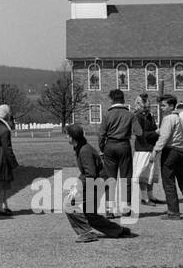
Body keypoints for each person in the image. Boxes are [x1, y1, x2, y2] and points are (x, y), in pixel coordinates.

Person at [64, 124, 130, 242]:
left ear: (72, 137)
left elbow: (91, 174)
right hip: (98, 182)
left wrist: (77, 188)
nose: (66, 137)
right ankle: (117, 230)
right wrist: (76, 185)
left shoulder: (84, 150)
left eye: (67, 135)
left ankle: (86, 233)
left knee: (69, 204)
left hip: (96, 183)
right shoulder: (81, 147)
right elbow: (87, 172)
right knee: (90, 215)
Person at [98, 88, 135, 216]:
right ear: (123, 99)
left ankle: (109, 209)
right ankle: (125, 208)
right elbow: (139, 132)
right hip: (124, 145)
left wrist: (102, 148)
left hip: (110, 145)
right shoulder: (129, 114)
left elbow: (101, 134)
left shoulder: (107, 114)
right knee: (126, 177)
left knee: (110, 179)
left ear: (112, 100)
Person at [131, 93, 161, 205]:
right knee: (143, 174)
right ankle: (144, 198)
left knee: (151, 173)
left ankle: (150, 195)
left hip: (151, 147)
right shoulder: (137, 117)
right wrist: (155, 132)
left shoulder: (149, 115)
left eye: (147, 101)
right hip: (142, 149)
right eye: (144, 102)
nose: (147, 103)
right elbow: (141, 134)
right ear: (138, 103)